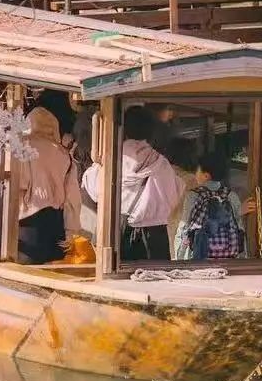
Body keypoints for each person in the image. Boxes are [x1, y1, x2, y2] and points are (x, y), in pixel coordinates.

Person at [82, 106, 181, 261]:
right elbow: (173, 197)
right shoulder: (161, 164)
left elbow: (92, 189)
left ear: (124, 128)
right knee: (153, 281)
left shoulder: (110, 158)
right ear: (151, 131)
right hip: (153, 233)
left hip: (114, 228)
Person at [14, 107, 82, 265]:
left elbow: (19, 184)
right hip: (55, 222)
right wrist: (72, 232)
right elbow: (72, 200)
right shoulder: (65, 155)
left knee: (24, 272)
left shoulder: (23, 149)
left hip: (27, 220)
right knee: (51, 274)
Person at [174, 150, 247, 261]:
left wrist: (179, 257)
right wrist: (242, 257)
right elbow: (239, 229)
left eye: (198, 170)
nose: (195, 174)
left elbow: (184, 227)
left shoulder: (193, 196)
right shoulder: (231, 196)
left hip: (198, 257)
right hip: (228, 257)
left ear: (206, 175)